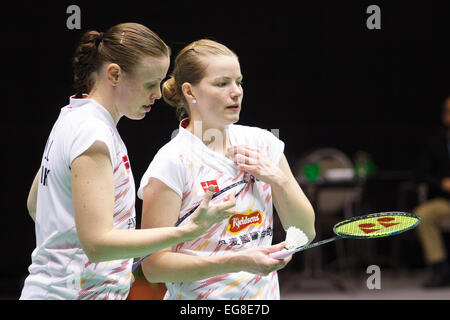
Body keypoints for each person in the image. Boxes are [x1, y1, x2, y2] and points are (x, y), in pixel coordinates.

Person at [20, 24, 237, 300]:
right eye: (150, 84)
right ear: (114, 74)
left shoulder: (71, 117)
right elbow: (98, 244)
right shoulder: (94, 135)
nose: (158, 94)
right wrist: (187, 231)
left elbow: (36, 205)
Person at [138, 39, 316, 300]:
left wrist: (279, 179)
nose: (236, 92)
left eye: (238, 82)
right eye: (222, 83)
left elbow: (305, 233)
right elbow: (153, 267)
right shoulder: (172, 162)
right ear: (190, 92)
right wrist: (236, 262)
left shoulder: (263, 144)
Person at [415, 96, 450, 288]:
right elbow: (420, 174)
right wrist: (441, 183)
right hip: (445, 201)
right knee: (423, 214)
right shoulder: (436, 142)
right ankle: (441, 268)